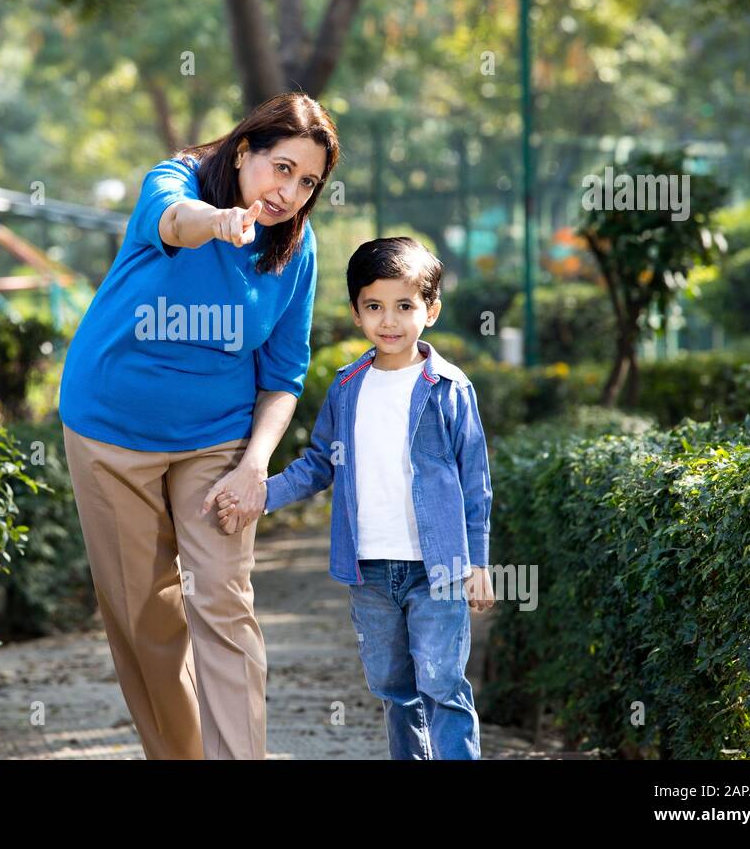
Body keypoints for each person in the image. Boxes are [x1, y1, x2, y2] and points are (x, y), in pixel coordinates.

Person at [58, 92, 340, 759]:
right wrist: (218, 223)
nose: (290, 192)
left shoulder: (295, 251)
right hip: (109, 431)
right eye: (281, 168)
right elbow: (173, 220)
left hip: (217, 440)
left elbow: (283, 377)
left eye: (308, 182)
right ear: (244, 151)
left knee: (223, 602)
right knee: (146, 619)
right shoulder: (176, 181)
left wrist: (254, 467)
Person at [218, 236, 496, 759]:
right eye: (374, 307)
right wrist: (262, 494)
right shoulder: (347, 387)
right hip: (368, 569)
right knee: (393, 688)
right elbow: (319, 464)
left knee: (441, 683)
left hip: (440, 567)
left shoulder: (450, 388)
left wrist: (477, 563)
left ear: (430, 310)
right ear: (356, 313)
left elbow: (475, 483)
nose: (388, 321)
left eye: (404, 306)